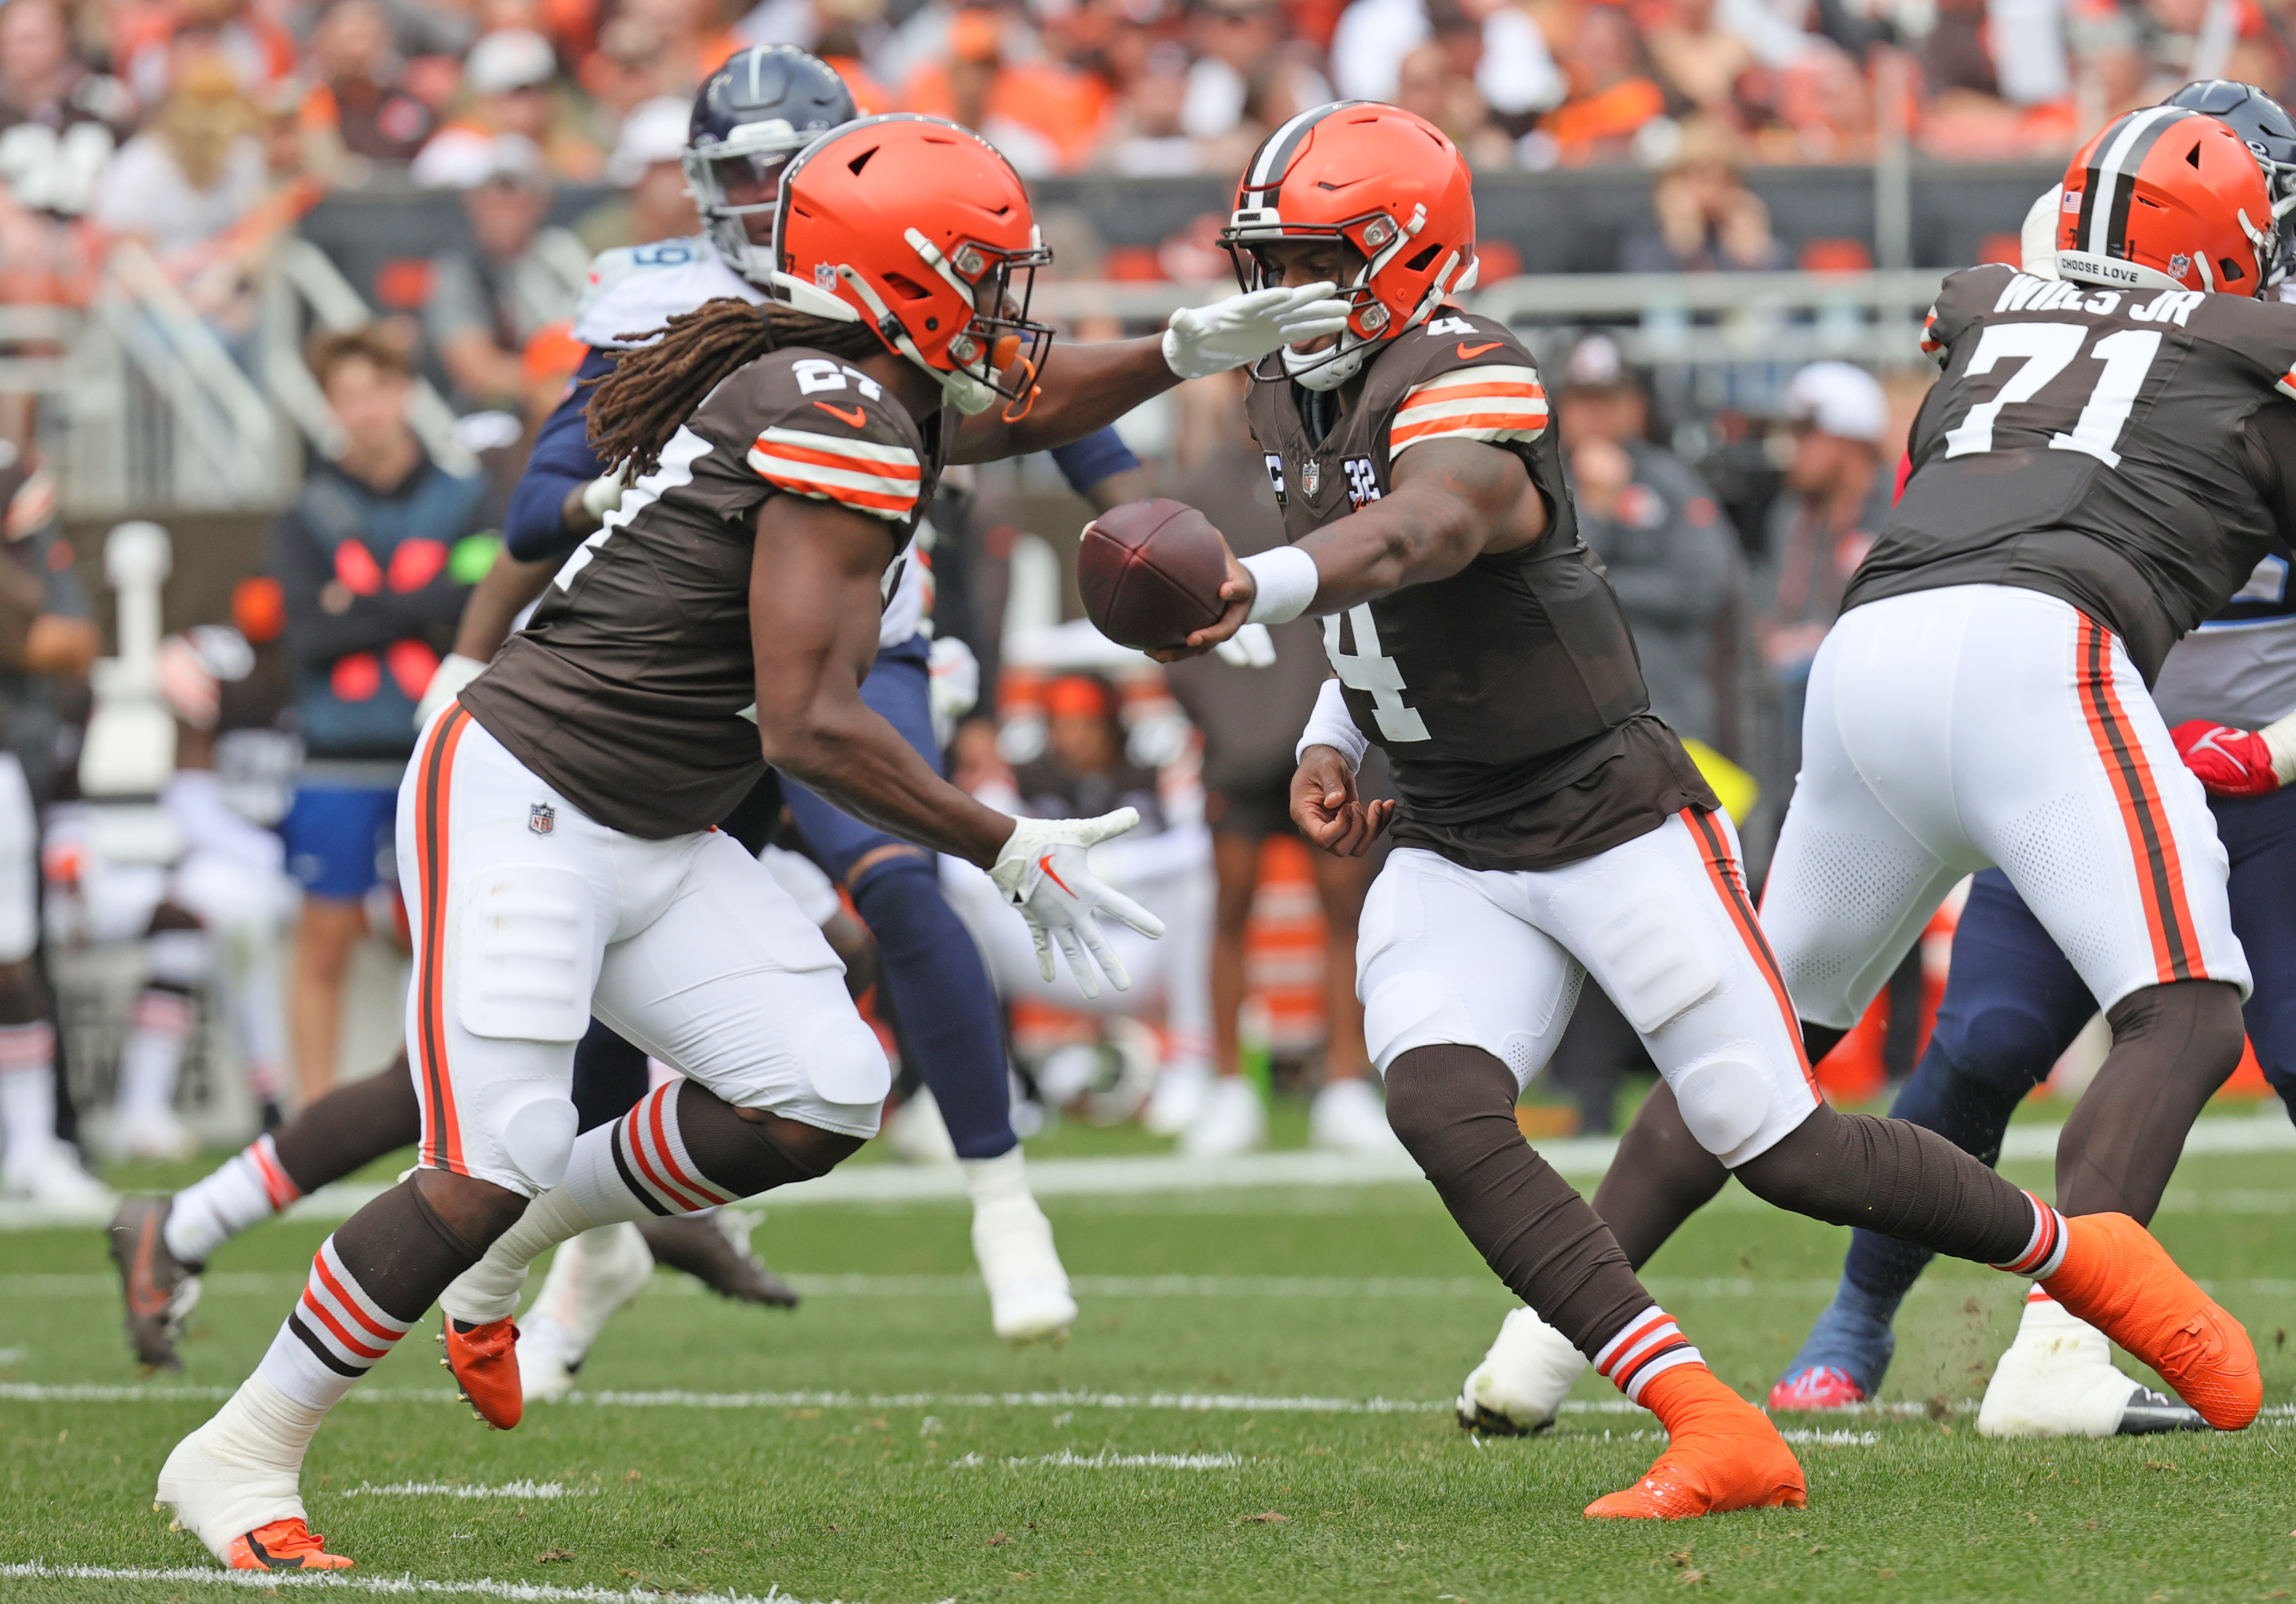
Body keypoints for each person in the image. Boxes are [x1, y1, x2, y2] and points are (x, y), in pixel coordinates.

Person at [152, 110, 1346, 1571]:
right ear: (903, 276)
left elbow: (1020, 408)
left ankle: (522, 1244)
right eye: (980, 272)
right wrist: (1001, 842)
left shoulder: (853, 382)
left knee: (823, 1090)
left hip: (649, 818)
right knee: (487, 1154)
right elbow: (806, 726)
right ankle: (243, 1454)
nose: (1003, 304)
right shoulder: (833, 410)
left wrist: (1178, 351)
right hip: (530, 792)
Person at [1169, 99, 2257, 1518]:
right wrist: (1336, 713)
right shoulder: (1294, 385)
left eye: (1309, 260)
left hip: (1724, 732)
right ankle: (1842, 1388)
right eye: (1269, 261)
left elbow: (1424, 529)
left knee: (1770, 1106)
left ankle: (2052, 1259)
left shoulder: (1481, 368)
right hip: (1493, 803)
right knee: (1447, 1102)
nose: (1278, 295)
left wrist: (1267, 592)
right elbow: (1389, 570)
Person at [422, 46, 1149, 1352]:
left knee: (896, 882)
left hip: (860, 637)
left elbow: (1044, 405)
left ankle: (1002, 1199)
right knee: (603, 964)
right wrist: (647, 480)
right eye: (738, 170)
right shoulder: (663, 299)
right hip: (694, 662)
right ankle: (591, 1241)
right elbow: (536, 505)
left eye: (783, 167)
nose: (760, 196)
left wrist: (1157, 525)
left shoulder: (909, 272)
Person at [1767, 79, 2296, 1437]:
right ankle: (1858, 1314)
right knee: (1982, 1044)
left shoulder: (2262, 369)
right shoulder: (2059, 344)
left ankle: (2057, 1347)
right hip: (2076, 740)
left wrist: (2279, 746)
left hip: (2257, 788)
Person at [272, 327, 485, 1102]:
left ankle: (434, 1106)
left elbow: (477, 603)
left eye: (376, 391)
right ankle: (312, 1112)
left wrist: (359, 604)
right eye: (347, 396)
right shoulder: (308, 511)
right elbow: (309, 635)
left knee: (443, 941)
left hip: (436, 750)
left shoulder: (461, 494)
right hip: (338, 755)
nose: (364, 410)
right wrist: (417, 610)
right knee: (324, 938)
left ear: (403, 393)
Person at [941, 673, 1214, 1095]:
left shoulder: (1149, 778)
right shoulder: (1022, 780)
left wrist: (1108, 867)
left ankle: (1192, 1069)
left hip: (1144, 949)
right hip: (1052, 947)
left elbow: (1199, 846)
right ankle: (993, 1077)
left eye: (1087, 723)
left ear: (1112, 724)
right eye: (1062, 724)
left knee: (1198, 889)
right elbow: (959, 864)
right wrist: (1053, 871)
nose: (1074, 738)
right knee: (968, 896)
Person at [0, 445, 100, 1208]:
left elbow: (68, 635)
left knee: (13, 954)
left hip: (9, 752)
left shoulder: (11, 476)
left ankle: (37, 1141)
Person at [417, 133, 589, 410]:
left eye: (516, 192)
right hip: (496, 412)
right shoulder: (459, 268)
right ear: (473, 201)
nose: (505, 206)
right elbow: (477, 371)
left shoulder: (562, 250)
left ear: (540, 201)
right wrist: (557, 380)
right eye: (494, 193)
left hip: (576, 400)